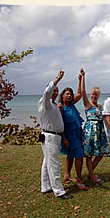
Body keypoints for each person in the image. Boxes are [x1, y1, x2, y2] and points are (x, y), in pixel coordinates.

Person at [38, 70, 72, 199]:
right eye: (54, 90)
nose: (55, 92)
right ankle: (59, 191)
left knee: (47, 162)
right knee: (54, 164)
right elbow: (47, 92)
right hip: (50, 136)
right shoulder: (45, 102)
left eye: (57, 91)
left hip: (55, 136)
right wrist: (58, 79)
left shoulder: (54, 105)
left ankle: (46, 186)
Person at [80, 68, 109, 184]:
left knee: (100, 154)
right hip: (90, 130)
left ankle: (90, 172)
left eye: (96, 95)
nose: (94, 96)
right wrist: (83, 77)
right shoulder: (88, 105)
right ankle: (91, 175)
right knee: (89, 154)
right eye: (92, 94)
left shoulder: (100, 106)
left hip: (100, 130)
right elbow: (82, 92)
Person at [58, 74, 86, 190]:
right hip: (69, 135)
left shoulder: (72, 104)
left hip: (77, 133)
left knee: (71, 155)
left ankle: (67, 175)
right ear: (62, 95)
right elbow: (59, 125)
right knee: (79, 155)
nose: (69, 96)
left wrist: (80, 80)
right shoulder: (60, 107)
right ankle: (79, 180)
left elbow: (79, 94)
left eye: (70, 94)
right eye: (67, 94)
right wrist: (64, 138)